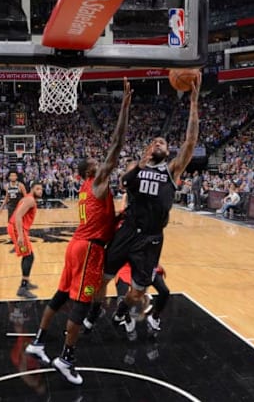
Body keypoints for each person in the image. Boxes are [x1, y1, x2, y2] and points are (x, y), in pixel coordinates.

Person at [24, 78, 132, 385]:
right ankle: (66, 358)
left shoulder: (88, 190)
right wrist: (124, 105)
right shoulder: (97, 183)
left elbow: (104, 220)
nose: (104, 165)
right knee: (81, 304)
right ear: (89, 172)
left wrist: (120, 215)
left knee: (60, 295)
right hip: (89, 250)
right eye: (98, 164)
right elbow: (116, 145)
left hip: (77, 245)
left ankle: (38, 342)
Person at [85, 75, 201, 336]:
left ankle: (123, 309)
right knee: (102, 278)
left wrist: (193, 103)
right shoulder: (135, 168)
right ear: (148, 148)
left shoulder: (172, 169)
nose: (158, 143)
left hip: (151, 238)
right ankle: (95, 310)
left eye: (163, 142)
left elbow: (190, 142)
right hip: (127, 229)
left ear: (168, 152)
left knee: (138, 292)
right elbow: (122, 170)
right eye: (155, 141)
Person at [8, 182, 44, 298]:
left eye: (41, 189)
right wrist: (20, 235)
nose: (40, 191)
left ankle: (26, 282)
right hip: (17, 228)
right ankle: (23, 288)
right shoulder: (30, 200)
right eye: (37, 189)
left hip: (17, 228)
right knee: (29, 256)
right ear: (32, 189)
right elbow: (18, 215)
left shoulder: (28, 198)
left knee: (27, 255)